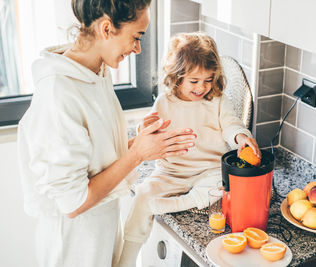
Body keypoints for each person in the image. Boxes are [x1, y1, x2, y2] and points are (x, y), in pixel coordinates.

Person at [17, 1, 196, 267]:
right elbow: (73, 202)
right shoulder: (59, 93)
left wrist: (142, 143)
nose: (137, 49)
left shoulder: (95, 71)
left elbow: (93, 155)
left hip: (100, 229)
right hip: (74, 245)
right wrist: (137, 154)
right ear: (107, 28)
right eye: (136, 37)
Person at [117, 32, 261, 267]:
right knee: (142, 195)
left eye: (208, 80)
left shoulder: (218, 101)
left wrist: (241, 137)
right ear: (177, 77)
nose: (202, 87)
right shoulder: (164, 102)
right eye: (194, 81)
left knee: (223, 184)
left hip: (208, 171)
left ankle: (178, 203)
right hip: (171, 172)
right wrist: (147, 127)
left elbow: (231, 124)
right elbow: (149, 130)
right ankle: (126, 259)